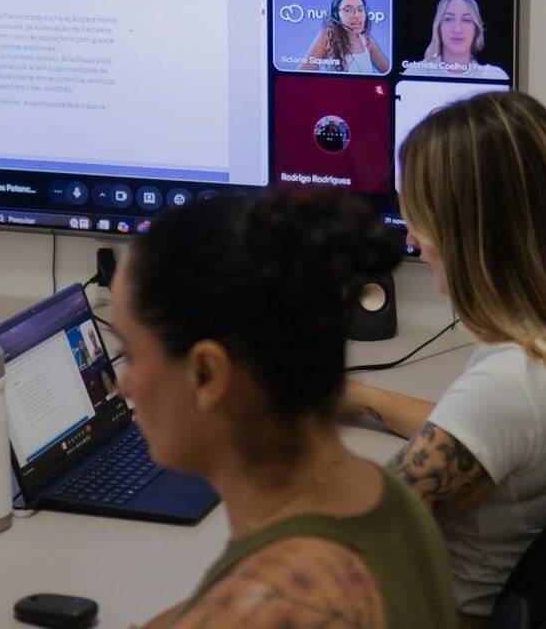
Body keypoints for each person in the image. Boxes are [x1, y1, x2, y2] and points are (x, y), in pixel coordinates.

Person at [111, 190, 457, 629]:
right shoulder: (382, 493)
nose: (123, 384)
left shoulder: (268, 608)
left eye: (130, 353)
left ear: (206, 374)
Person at [342, 90, 546, 628]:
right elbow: (481, 438)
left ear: (471, 228)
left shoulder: (512, 382)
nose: (412, 237)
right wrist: (357, 398)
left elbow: (356, 535)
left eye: (420, 215)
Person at [402, 0, 508, 79]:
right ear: (438, 27)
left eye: (466, 20)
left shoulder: (495, 76)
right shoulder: (415, 73)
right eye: (448, 19)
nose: (457, 29)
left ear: (476, 29)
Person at [300, 0, 389, 74]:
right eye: (348, 10)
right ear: (336, 15)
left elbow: (388, 71)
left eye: (360, 9)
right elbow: (302, 74)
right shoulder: (327, 37)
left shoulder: (366, 38)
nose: (357, 15)